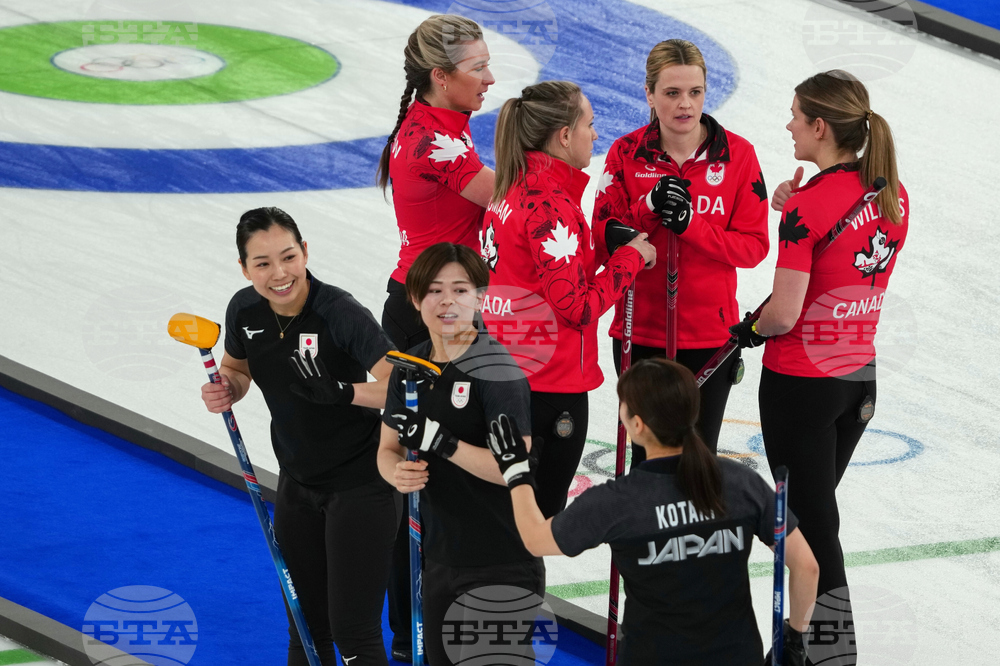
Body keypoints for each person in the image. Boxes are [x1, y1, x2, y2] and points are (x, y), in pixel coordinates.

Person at [730, 69, 909, 655]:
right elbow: (849, 249)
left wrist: (750, 328)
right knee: (812, 520)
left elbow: (783, 312)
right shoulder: (892, 194)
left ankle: (826, 652)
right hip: (858, 381)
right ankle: (807, 645)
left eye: (795, 117)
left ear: (821, 126)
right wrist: (794, 204)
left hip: (802, 384)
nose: (788, 125)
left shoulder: (808, 206)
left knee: (811, 529)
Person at [487, 358, 819, 665]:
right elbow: (807, 567)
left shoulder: (620, 500)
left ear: (637, 424)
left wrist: (517, 471)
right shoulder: (740, 482)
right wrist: (794, 638)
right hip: (736, 655)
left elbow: (534, 539)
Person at [201, 207, 398, 666]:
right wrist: (227, 387)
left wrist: (343, 392)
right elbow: (236, 367)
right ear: (245, 268)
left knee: (355, 636)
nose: (280, 273)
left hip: (361, 485)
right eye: (263, 263)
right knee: (306, 631)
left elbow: (403, 387)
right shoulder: (244, 309)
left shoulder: (339, 312)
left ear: (305, 252)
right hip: (296, 482)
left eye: (289, 257)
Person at [375, 17, 496, 655]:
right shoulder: (435, 142)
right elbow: (513, 199)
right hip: (428, 318)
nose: (491, 78)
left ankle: (423, 629)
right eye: (478, 69)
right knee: (419, 473)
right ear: (439, 76)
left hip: (436, 305)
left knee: (434, 469)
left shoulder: (442, 123)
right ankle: (412, 636)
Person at [481, 80, 656, 519]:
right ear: (563, 135)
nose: (595, 135)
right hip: (548, 388)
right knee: (533, 524)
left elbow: (543, 270)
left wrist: (601, 242)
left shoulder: (512, 187)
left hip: (505, 373)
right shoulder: (552, 205)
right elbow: (576, 305)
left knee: (500, 518)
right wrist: (631, 259)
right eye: (590, 125)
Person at [592, 38, 769, 462]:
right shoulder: (626, 153)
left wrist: (691, 225)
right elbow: (601, 236)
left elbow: (753, 248)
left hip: (709, 338)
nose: (685, 105)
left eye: (695, 92)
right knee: (646, 460)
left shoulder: (738, 156)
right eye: (672, 93)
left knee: (696, 459)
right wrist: (647, 207)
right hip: (639, 333)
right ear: (649, 94)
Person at [376, 243, 542, 666]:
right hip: (438, 559)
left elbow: (513, 470)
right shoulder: (408, 368)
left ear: (481, 297)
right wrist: (397, 473)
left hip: (500, 562)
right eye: (434, 290)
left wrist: (441, 442)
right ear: (414, 298)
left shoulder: (498, 372)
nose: (447, 301)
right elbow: (387, 448)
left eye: (460, 290)